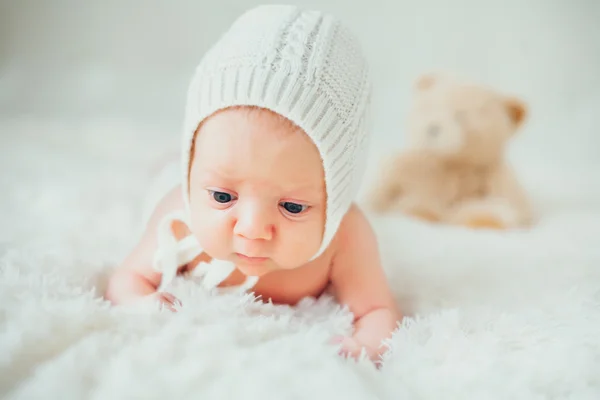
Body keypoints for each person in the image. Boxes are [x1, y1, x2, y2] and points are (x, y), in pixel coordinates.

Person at [105, 4, 401, 362]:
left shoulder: (346, 236)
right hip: (174, 177)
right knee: (159, 174)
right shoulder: (180, 216)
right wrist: (142, 303)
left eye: (292, 207)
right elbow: (128, 280)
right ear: (192, 178)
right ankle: (172, 161)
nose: (252, 230)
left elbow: (377, 311)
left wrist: (365, 346)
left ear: (336, 195)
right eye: (223, 197)